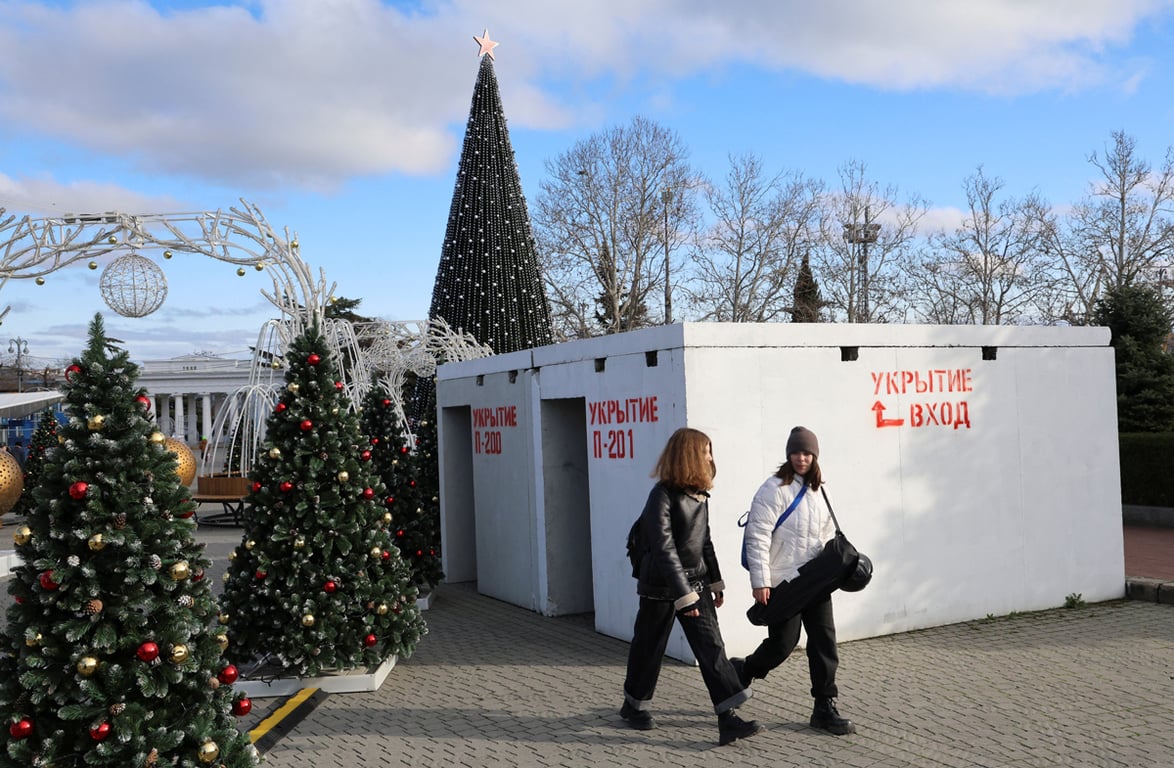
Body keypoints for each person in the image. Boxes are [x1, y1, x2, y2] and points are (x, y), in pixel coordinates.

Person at [620, 427, 764, 746]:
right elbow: (663, 547)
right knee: (649, 647)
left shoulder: (700, 494)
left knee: (711, 647)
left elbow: (705, 541)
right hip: (661, 585)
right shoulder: (662, 495)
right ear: (689, 455)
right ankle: (633, 706)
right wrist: (683, 593)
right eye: (706, 451)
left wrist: (715, 581)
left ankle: (728, 720)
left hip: (695, 582)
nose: (711, 457)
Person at [733, 426, 857, 735]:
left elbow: (826, 535)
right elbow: (757, 536)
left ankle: (824, 707)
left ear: (815, 456)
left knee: (824, 642)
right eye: (796, 452)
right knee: (782, 645)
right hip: (784, 582)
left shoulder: (820, 490)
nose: (802, 458)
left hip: (815, 581)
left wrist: (832, 569)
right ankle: (743, 671)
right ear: (789, 454)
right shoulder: (773, 489)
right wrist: (760, 581)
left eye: (807, 453)